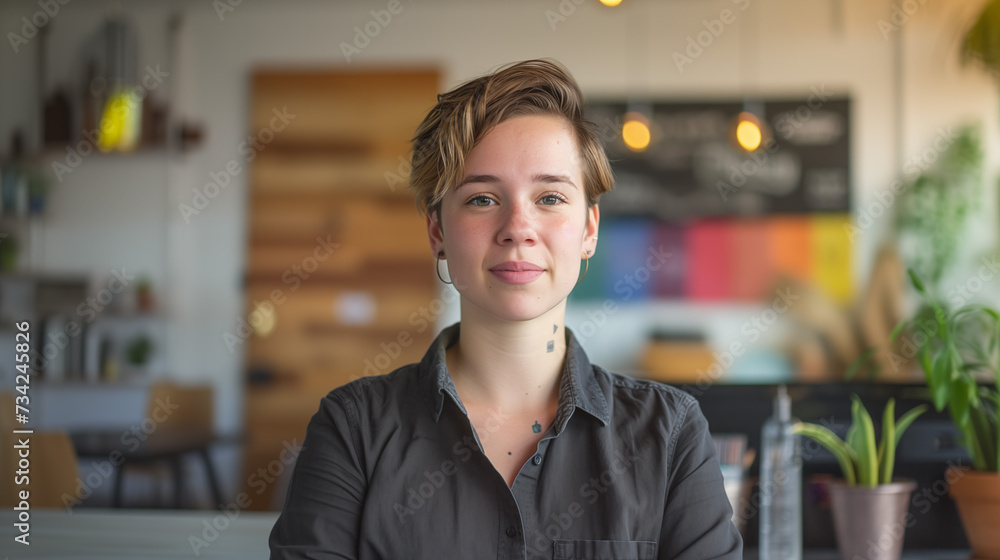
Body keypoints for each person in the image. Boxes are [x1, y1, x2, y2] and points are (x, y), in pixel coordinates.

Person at [269, 58, 742, 560]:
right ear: (438, 233)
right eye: (481, 199)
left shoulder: (670, 434)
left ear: (588, 230)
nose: (518, 227)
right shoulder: (354, 429)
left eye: (551, 197)